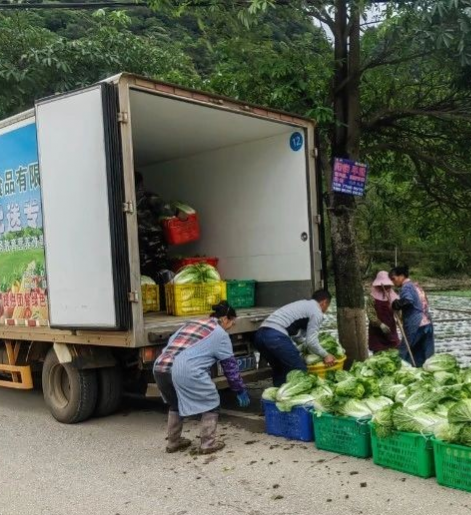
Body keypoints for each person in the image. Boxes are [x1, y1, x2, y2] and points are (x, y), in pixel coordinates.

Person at [153, 301, 250, 454]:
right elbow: (230, 367)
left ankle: (173, 442)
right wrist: (239, 389)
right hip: (184, 370)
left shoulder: (192, 323)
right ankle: (208, 444)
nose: (232, 326)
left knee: (175, 404)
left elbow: (173, 343)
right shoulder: (220, 334)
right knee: (211, 403)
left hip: (160, 367)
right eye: (232, 322)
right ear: (225, 319)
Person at [255, 289, 335, 386]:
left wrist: (302, 349)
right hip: (276, 336)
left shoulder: (303, 305)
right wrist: (326, 355)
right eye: (327, 306)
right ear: (324, 302)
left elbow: (298, 336)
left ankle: (279, 396)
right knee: (300, 370)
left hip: (260, 335)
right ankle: (299, 400)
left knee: (280, 370)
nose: (326, 310)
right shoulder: (316, 311)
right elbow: (311, 341)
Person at [135, 172, 175, 284]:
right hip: (139, 242)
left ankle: (165, 296)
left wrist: (176, 212)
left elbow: (168, 213)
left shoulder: (151, 198)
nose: (138, 189)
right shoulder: (129, 201)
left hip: (155, 241)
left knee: (161, 269)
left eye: (139, 186)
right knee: (145, 271)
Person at [389, 265, 434, 367]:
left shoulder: (406, 287)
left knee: (404, 351)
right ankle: (424, 372)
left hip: (416, 324)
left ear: (401, 276)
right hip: (427, 323)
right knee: (424, 352)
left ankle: (402, 371)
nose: (393, 282)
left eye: (393, 278)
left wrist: (397, 304)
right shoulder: (416, 286)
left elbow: (408, 300)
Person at [367, 271, 400, 353]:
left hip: (390, 328)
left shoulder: (393, 295)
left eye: (388, 285)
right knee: (378, 352)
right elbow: (370, 314)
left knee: (394, 350)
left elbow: (398, 310)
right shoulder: (372, 297)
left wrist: (400, 319)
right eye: (384, 285)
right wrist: (380, 324)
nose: (386, 287)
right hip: (377, 331)